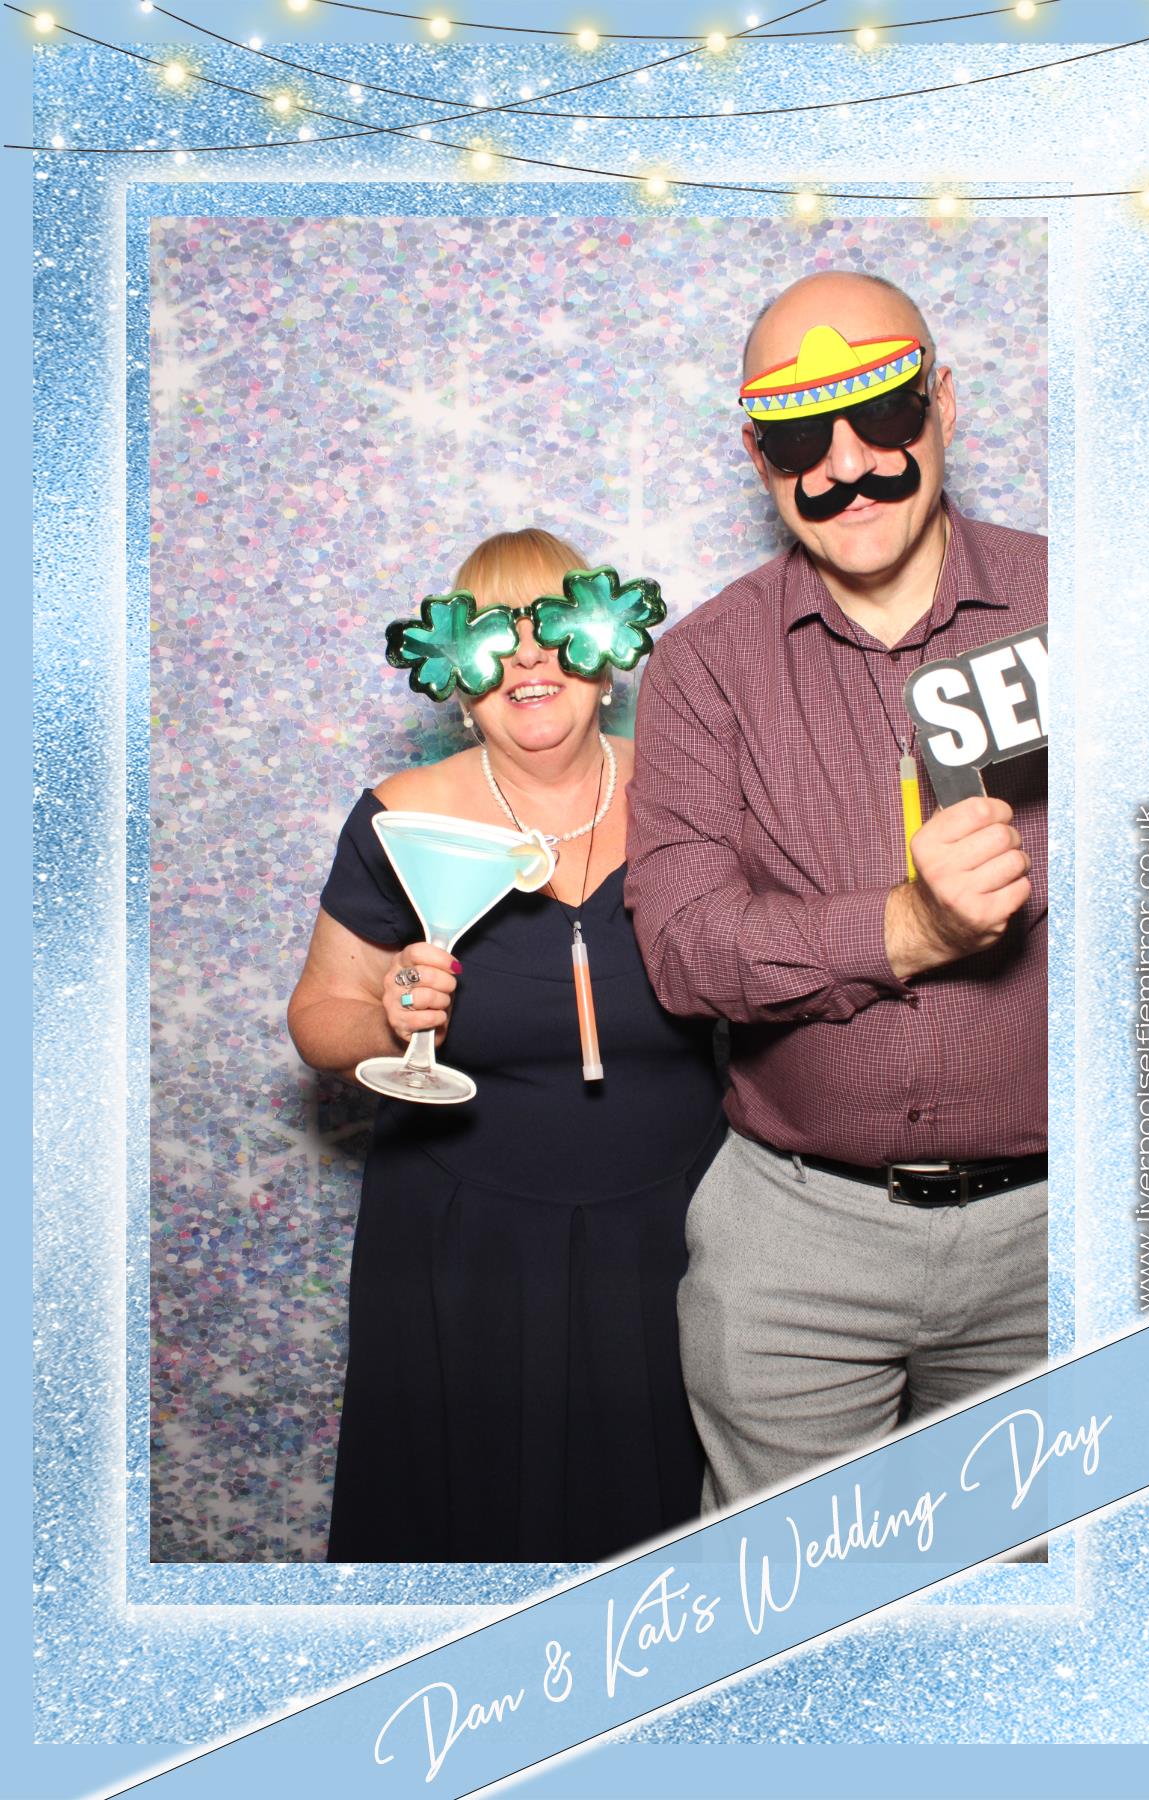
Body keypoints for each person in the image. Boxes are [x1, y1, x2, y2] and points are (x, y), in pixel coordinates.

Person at [626, 271, 1048, 1511]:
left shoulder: (1099, 605)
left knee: (1031, 1583)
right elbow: (686, 952)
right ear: (758, 458)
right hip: (794, 1237)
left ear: (944, 405)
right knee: (785, 1596)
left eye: (886, 413)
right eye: (801, 438)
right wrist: (909, 926)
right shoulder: (704, 664)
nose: (848, 465)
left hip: (1060, 1231)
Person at [288, 528, 725, 1561]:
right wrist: (389, 1014)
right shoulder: (403, 818)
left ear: (610, 653)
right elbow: (319, 1016)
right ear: (454, 678)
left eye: (559, 628)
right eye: (490, 637)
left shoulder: (692, 791)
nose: (529, 657)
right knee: (468, 1517)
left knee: (663, 1536)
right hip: (459, 1244)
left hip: (677, 1234)